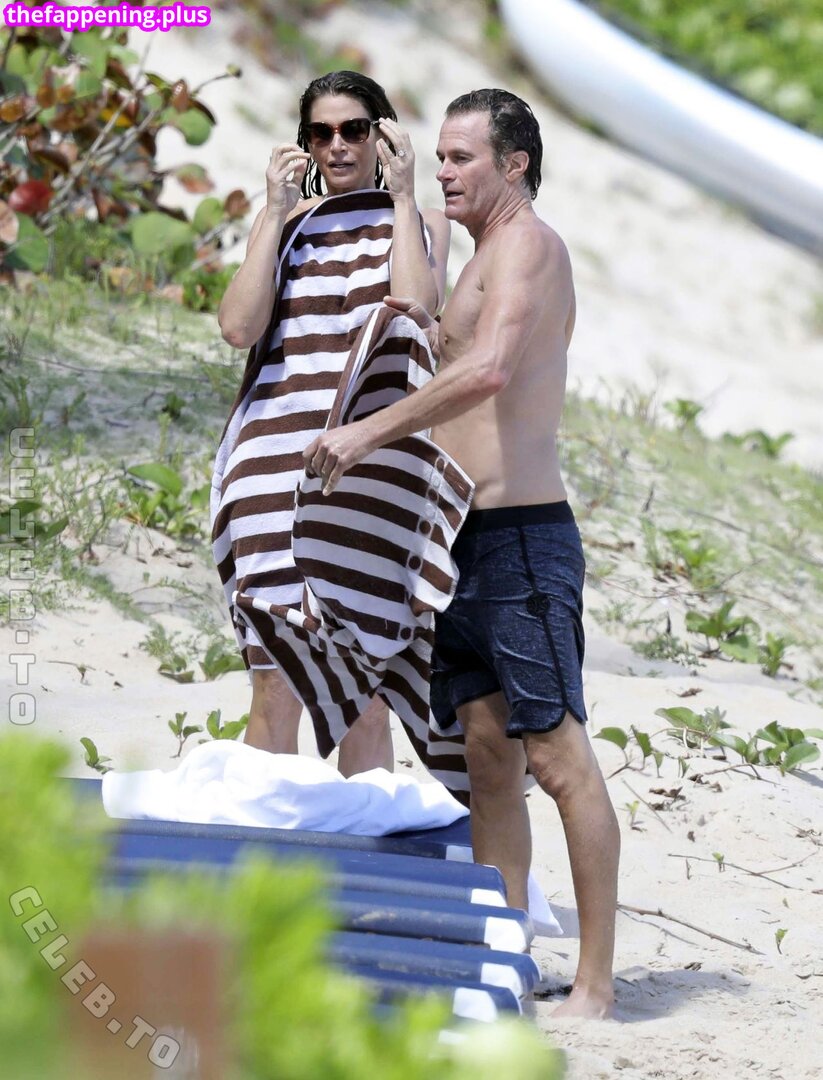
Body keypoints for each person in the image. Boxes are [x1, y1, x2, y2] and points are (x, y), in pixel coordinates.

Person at [302, 88, 620, 1018]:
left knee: (557, 757)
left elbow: (488, 370)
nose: (445, 171)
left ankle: (596, 986)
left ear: (512, 165)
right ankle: (500, 960)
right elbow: (419, 329)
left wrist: (366, 435)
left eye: (460, 158)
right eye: (438, 156)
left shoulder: (529, 246)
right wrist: (400, 198)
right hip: (460, 543)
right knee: (486, 761)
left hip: (522, 542)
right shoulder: (479, 254)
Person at [212, 71, 449, 776]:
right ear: (305, 143)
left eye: (354, 129)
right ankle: (259, 838)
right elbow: (238, 327)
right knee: (275, 675)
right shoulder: (287, 225)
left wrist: (402, 196)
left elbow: (415, 311)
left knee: (366, 689)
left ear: (383, 135)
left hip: (371, 464)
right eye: (321, 133)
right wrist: (272, 210)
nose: (337, 145)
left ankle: (359, 841)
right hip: (270, 459)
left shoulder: (420, 219)